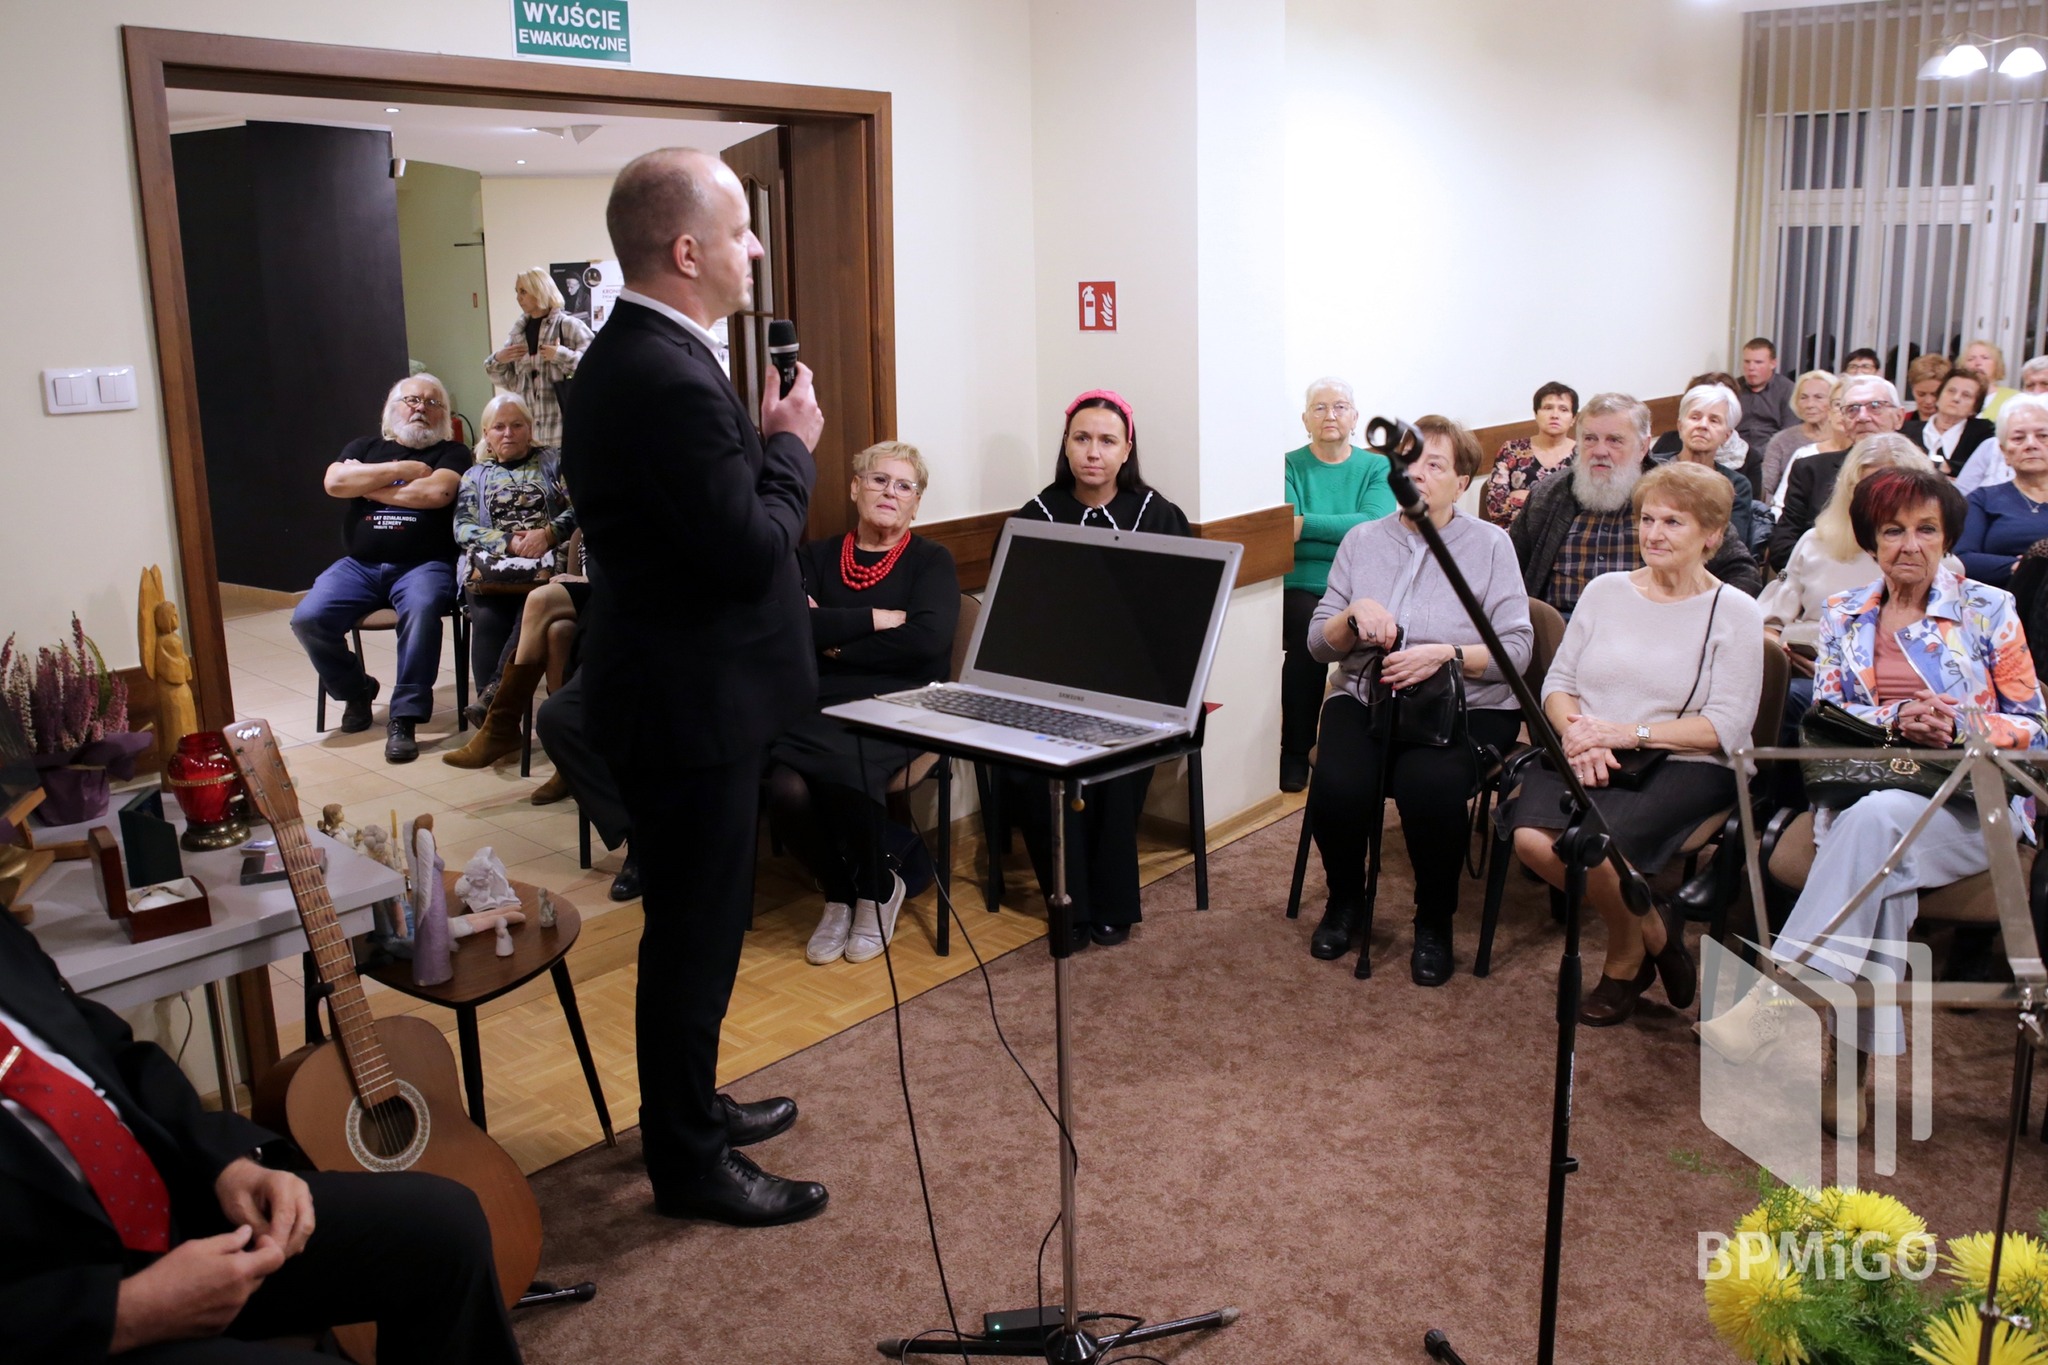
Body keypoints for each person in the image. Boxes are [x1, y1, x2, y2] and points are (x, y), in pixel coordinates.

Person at [564, 147, 827, 1226]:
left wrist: (756, 447)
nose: (754, 247)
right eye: (739, 230)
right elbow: (749, 548)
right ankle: (688, 1161)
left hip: (688, 696)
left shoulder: (642, 355)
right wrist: (792, 449)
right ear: (686, 250)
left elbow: (700, 528)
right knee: (692, 936)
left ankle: (693, 1108)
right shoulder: (664, 377)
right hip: (687, 710)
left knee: (699, 927)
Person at [0, 910, 522, 1364]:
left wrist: (230, 1163)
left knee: (445, 1223)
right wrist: (126, 1314)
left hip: (166, 1206)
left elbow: (113, 1054)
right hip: (59, 1308)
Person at [1703, 468, 2044, 1131]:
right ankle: (1848, 1075)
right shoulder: (1844, 612)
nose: (1909, 544)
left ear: (1948, 539)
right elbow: (1828, 716)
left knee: (1878, 826)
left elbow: (2036, 725)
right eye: (1893, 530)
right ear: (1871, 540)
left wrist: (1960, 724)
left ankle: (1779, 1001)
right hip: (1864, 794)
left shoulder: (1988, 608)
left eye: (1926, 530)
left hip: (1974, 804)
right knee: (1882, 861)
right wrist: (1897, 720)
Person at [1509, 462, 1764, 1027]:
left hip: (1686, 760)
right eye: (1648, 519)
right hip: (1589, 745)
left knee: (1596, 847)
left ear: (1711, 535)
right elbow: (1559, 684)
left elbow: (1724, 725)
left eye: (1673, 522)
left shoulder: (1736, 612)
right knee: (1531, 841)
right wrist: (1577, 732)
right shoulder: (1605, 592)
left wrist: (1626, 733)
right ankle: (1653, 925)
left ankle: (1624, 961)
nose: (1654, 533)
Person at [1304, 416, 1531, 984]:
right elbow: (1316, 645)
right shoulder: (1363, 540)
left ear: (1463, 482)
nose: (1416, 474)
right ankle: (1345, 900)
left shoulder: (1490, 545)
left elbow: (1517, 650)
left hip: (1467, 703)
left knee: (1428, 786)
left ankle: (1434, 919)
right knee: (1338, 783)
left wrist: (1446, 654)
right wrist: (1350, 617)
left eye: (1434, 464)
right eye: (1407, 461)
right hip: (1368, 695)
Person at [1001, 390, 1191, 947]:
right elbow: (1014, 619)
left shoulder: (1160, 516)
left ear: (1127, 449)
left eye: (1107, 441)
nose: (1093, 452)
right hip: (1050, 685)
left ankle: (1112, 902)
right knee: (1033, 766)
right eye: (1082, 438)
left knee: (1116, 763)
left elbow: (1182, 617)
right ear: (1065, 445)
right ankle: (1069, 907)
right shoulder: (1034, 516)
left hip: (1138, 687)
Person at [766, 442, 957, 966]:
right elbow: (790, 626)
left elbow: (927, 642)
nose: (890, 492)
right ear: (855, 488)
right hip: (821, 701)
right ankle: (839, 890)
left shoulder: (931, 561)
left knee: (844, 765)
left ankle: (877, 888)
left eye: (904, 485)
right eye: (878, 480)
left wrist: (835, 642)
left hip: (903, 702)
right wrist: (875, 619)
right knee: (781, 785)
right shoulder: (814, 557)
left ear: (916, 502)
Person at [291, 375, 470, 764]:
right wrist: (404, 468)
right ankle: (356, 690)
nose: (421, 408)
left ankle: (404, 718)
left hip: (424, 565)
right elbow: (335, 482)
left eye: (432, 402)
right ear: (392, 409)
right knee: (308, 618)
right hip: (359, 565)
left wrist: (365, 483)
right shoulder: (364, 446)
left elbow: (436, 493)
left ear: (444, 415)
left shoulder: (453, 453)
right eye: (412, 400)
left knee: (422, 612)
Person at [1759, 435, 1951, 736]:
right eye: (1866, 490)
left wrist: (1842, 673)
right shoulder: (1815, 543)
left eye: (1889, 491)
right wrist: (1779, 655)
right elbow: (1769, 623)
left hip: (1898, 686)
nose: (1877, 503)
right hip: (1806, 674)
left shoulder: (1939, 561)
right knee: (1787, 694)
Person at [1510, 392, 1760, 618]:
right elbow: (1510, 570)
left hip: (1653, 627)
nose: (1599, 451)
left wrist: (1697, 620)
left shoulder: (1682, 491)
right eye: (1590, 439)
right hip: (1559, 629)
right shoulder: (1549, 494)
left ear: (1642, 447)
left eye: (1614, 440)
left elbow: (1741, 571)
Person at [1280, 377, 1396, 792]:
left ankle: (1377, 742)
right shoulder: (1288, 464)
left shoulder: (1376, 467)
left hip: (1359, 581)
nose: (1330, 415)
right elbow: (1284, 528)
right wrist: (1340, 529)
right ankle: (1296, 750)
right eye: (1320, 407)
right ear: (1305, 419)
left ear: (1354, 417)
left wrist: (1306, 525)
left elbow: (1372, 524)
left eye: (1340, 406)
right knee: (1307, 634)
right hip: (1300, 582)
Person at [452, 392, 575, 696]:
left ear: (529, 429)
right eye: (499, 427)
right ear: (487, 434)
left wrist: (548, 534)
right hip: (492, 569)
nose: (508, 433)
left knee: (529, 611)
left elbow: (580, 508)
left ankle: (494, 700)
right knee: (488, 619)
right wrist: (507, 542)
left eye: (517, 425)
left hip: (547, 565)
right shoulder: (474, 476)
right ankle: (491, 703)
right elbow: (462, 528)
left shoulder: (554, 462)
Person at [1765, 373, 1906, 572]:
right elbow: (1782, 547)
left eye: (1875, 406)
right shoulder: (1810, 470)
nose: (1862, 417)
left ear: (1899, 417)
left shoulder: (1922, 474)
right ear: (1844, 421)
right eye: (1852, 409)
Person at [483, 267, 597, 447]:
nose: (518, 298)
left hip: (565, 430)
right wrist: (499, 359)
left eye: (523, 292)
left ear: (539, 290)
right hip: (529, 435)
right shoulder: (518, 334)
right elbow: (511, 383)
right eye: (517, 292)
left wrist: (560, 355)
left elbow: (596, 369)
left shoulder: (569, 326)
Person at [1958, 393, 2048, 589]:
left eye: (2043, 436)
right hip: (2002, 598)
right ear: (2005, 452)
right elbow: (1961, 558)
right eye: (2018, 438)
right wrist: (2022, 567)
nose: (2031, 444)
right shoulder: (1982, 499)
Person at [1658, 383, 1756, 549]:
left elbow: (1731, 546)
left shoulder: (1736, 485)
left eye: (1714, 420)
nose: (1702, 425)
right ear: (1680, 426)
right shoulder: (1652, 470)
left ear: (1727, 435)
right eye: (1695, 417)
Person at [1480, 381, 1579, 528]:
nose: (1555, 415)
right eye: (1547, 408)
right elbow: (1497, 507)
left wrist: (1525, 499)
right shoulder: (1511, 450)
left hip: (1565, 537)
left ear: (1573, 419)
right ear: (1536, 414)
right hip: (1514, 533)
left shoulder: (1583, 456)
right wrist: (1556, 508)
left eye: (1563, 409)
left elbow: (1583, 510)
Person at [1901, 366, 1995, 478]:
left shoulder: (1983, 433)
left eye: (1966, 395)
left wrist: (1944, 466)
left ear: (1975, 408)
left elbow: (1985, 468)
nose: (1956, 398)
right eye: (1951, 391)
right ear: (1938, 397)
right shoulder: (1905, 431)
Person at [1735, 337, 1796, 458]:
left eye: (1758, 362)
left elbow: (1788, 433)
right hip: (1735, 452)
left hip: (1772, 453)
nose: (1751, 368)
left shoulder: (1787, 389)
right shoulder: (1734, 388)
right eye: (1747, 362)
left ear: (1773, 364)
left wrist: (1756, 454)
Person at [1959, 338, 2021, 423]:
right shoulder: (1955, 396)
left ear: (1997, 364)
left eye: (1985, 358)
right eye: (1971, 359)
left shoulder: (2013, 398)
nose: (1977, 363)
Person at [1904, 352, 1951, 423]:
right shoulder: (1901, 422)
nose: (1928, 401)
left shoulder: (1960, 425)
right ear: (1912, 389)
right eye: (1921, 394)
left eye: (1935, 394)